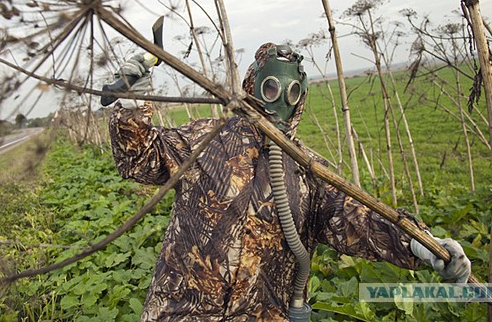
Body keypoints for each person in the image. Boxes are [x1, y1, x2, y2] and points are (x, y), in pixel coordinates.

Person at [108, 42, 471, 321]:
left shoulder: (310, 172)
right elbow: (141, 160)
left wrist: (418, 243)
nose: (279, 100)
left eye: (290, 92)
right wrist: (130, 105)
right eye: (269, 88)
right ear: (253, 84)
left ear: (300, 96)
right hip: (181, 311)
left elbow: (357, 220)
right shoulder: (206, 138)